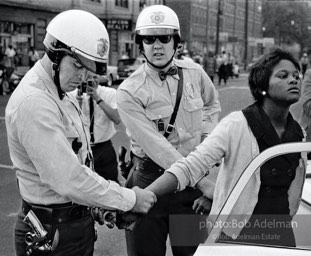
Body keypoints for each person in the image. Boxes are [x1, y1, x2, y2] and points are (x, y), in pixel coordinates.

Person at [5, 9, 156, 256]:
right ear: (54, 54)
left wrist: (99, 207)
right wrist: (129, 199)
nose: (83, 76)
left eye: (88, 70)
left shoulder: (60, 90)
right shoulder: (35, 101)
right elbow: (68, 178)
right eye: (77, 65)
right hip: (51, 231)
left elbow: (77, 164)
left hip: (69, 223)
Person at [146, 47, 306, 247]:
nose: (294, 80)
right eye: (283, 75)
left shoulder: (298, 133)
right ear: (263, 86)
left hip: (281, 237)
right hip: (235, 237)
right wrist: (145, 195)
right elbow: (190, 166)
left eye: (296, 75)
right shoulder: (237, 124)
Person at [116, 5, 221, 256]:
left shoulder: (194, 73)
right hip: (150, 183)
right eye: (149, 39)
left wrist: (207, 139)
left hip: (189, 192)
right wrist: (203, 181)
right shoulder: (129, 91)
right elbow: (156, 146)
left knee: (191, 253)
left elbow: (211, 104)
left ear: (177, 42)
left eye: (165, 38)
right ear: (141, 45)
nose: (158, 45)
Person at [72, 74, 121, 182]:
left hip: (104, 147)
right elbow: (69, 123)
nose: (91, 81)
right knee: (84, 184)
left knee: (111, 182)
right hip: (82, 147)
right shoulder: (72, 94)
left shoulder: (109, 93)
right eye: (88, 77)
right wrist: (77, 104)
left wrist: (98, 98)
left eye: (95, 77)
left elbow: (117, 119)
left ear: (100, 77)